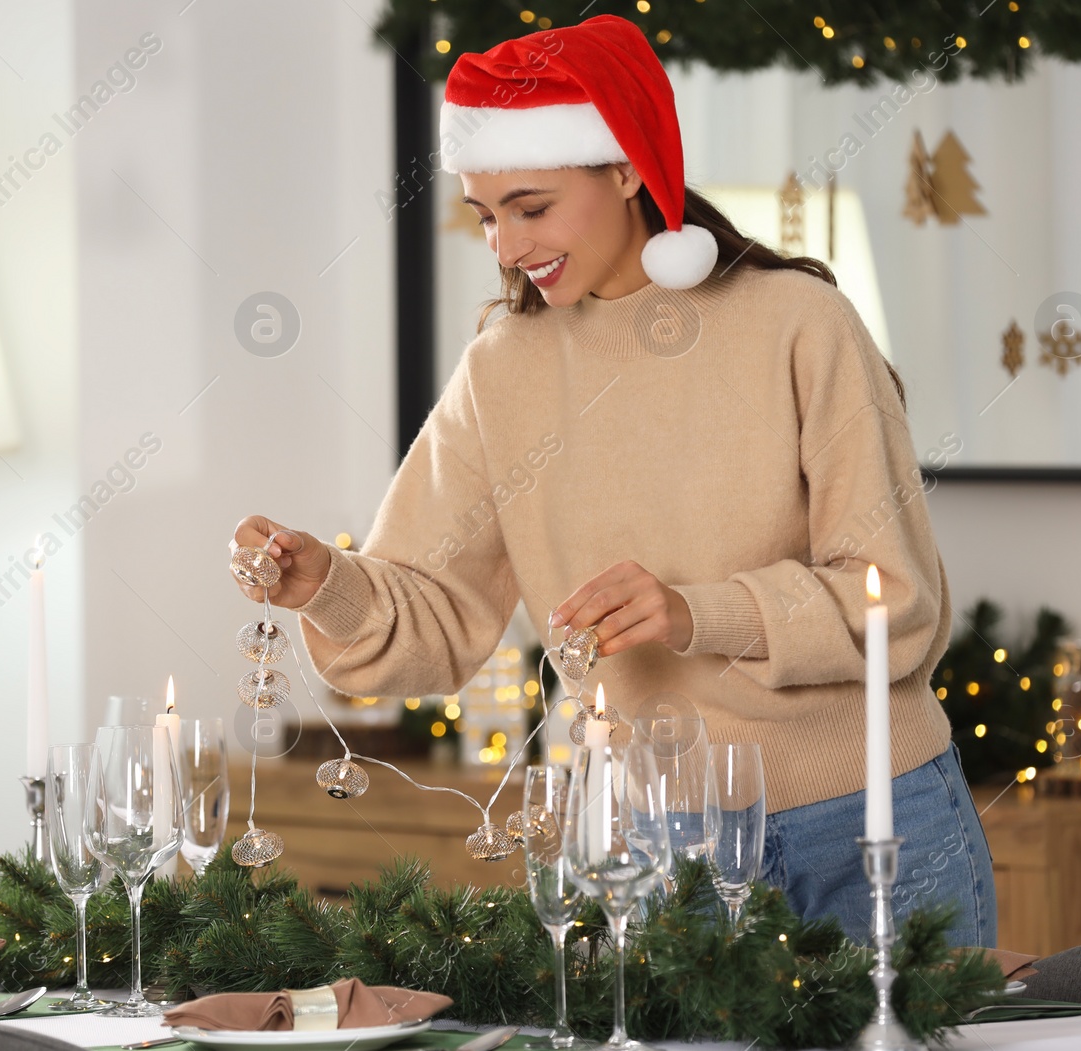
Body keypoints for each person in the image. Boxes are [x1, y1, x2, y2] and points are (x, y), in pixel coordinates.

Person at [232, 14, 996, 947]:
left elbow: (901, 604)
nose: (505, 248)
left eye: (532, 207)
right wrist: (328, 586)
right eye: (485, 216)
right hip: (658, 846)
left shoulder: (802, 324)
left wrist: (692, 612)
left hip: (871, 821)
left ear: (629, 167)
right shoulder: (501, 370)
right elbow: (432, 621)